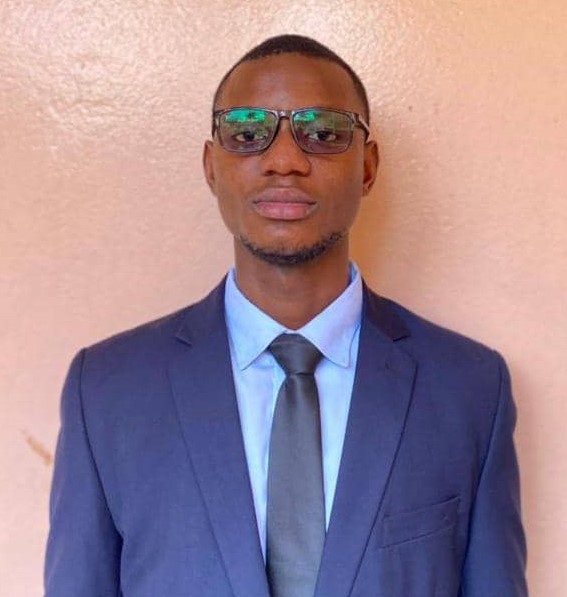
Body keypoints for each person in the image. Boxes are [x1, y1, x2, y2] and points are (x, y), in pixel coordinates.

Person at [45, 34, 528, 597]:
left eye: (323, 133)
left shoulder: (470, 389)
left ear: (367, 167)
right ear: (211, 166)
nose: (284, 161)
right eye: (247, 132)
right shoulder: (106, 391)